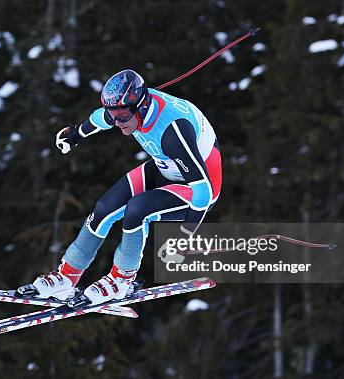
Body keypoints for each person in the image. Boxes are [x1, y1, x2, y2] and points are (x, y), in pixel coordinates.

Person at [27, 69, 222, 306]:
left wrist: (183, 239)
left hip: (197, 187)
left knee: (137, 210)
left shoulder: (173, 131)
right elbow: (102, 117)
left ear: (140, 106)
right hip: (166, 168)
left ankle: (122, 281)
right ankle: (67, 276)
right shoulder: (125, 108)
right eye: (114, 114)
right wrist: (76, 134)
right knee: (104, 208)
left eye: (121, 116)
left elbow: (203, 192)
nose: (117, 122)